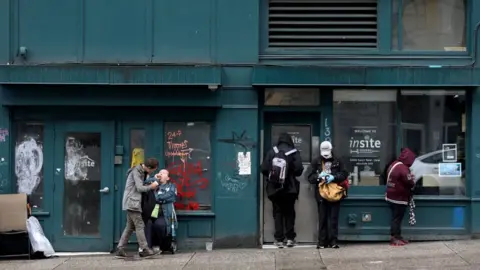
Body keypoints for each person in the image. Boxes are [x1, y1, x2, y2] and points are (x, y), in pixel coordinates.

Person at [261, 132, 303, 248]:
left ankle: (279, 240)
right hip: (289, 188)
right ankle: (290, 238)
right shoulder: (293, 152)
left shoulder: (272, 151)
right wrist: (289, 171)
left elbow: (264, 168)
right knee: (289, 212)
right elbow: (299, 170)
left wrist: (274, 175)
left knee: (277, 212)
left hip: (275, 188)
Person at [306, 141, 348, 249]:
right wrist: (319, 177)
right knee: (322, 218)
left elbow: (344, 174)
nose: (325, 154)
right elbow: (309, 177)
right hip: (321, 193)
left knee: (334, 218)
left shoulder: (338, 160)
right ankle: (322, 241)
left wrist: (334, 177)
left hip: (335, 192)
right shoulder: (316, 161)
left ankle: (333, 241)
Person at [115, 158, 160, 258]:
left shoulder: (141, 171)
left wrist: (153, 179)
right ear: (148, 167)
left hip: (132, 202)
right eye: (153, 170)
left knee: (130, 227)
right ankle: (144, 249)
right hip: (133, 203)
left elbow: (142, 184)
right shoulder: (136, 172)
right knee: (140, 225)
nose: (153, 172)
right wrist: (152, 186)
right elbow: (140, 188)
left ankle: (120, 248)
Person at [385, 148, 416, 246]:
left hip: (390, 195)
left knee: (396, 218)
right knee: (397, 219)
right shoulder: (403, 168)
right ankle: (394, 238)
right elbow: (409, 182)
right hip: (398, 198)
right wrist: (412, 180)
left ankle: (398, 236)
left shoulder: (394, 164)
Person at [142, 169, 178, 253]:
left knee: (160, 225)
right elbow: (144, 184)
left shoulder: (171, 186)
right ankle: (148, 248)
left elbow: (171, 196)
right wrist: (154, 178)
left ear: (168, 178)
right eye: (159, 173)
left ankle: (162, 246)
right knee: (147, 225)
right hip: (150, 213)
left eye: (163, 173)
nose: (160, 174)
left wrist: (155, 198)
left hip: (163, 214)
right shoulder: (154, 184)